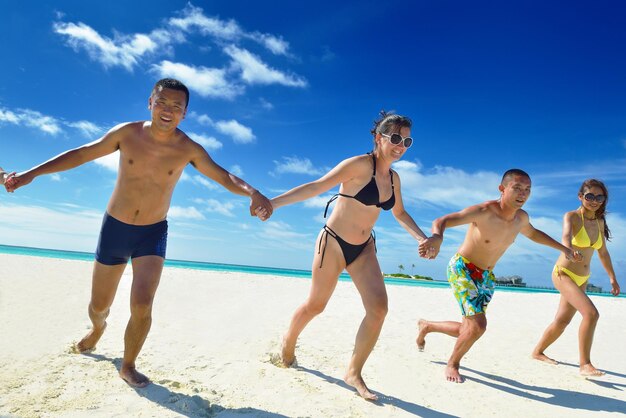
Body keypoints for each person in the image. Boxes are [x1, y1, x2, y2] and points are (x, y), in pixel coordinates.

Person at [4, 78, 272, 387]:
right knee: (98, 305)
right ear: (149, 103)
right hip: (115, 229)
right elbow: (81, 154)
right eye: (162, 103)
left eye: (176, 106)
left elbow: (223, 176)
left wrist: (253, 192)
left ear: (185, 113)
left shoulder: (189, 149)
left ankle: (128, 364)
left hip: (152, 233)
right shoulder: (127, 134)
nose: (168, 111)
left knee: (143, 303)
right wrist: (30, 174)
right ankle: (97, 327)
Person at [265, 111, 433, 401]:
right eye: (395, 138)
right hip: (333, 242)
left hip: (364, 247)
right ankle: (288, 341)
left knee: (378, 309)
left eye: (407, 140)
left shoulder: (394, 178)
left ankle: (354, 372)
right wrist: (273, 203)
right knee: (316, 305)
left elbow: (400, 212)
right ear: (378, 137)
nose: (401, 145)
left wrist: (422, 238)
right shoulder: (357, 165)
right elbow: (317, 186)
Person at [416, 169, 581, 383]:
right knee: (478, 326)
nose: (523, 194)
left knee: (470, 328)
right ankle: (452, 364)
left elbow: (534, 234)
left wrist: (564, 249)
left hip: (486, 276)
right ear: (502, 189)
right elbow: (443, 220)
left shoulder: (521, 218)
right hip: (463, 268)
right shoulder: (484, 211)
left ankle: (427, 326)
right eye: (517, 188)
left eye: (528, 190)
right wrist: (437, 237)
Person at [531, 179, 620, 376]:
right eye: (590, 196)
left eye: (599, 197)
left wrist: (612, 278)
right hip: (564, 273)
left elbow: (603, 253)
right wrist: (569, 249)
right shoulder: (571, 216)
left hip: (583, 277)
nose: (594, 200)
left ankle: (537, 352)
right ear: (581, 197)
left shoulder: (599, 221)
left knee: (562, 321)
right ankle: (585, 364)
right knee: (591, 314)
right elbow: (565, 236)